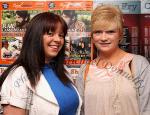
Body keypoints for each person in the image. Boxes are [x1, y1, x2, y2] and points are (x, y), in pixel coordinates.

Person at [0, 12, 82, 115]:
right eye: (50, 33)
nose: (58, 40)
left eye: (61, 35)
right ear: (35, 36)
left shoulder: (62, 70)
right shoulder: (18, 75)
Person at [76, 5, 150, 115]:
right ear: (92, 36)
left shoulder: (138, 64)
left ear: (120, 34)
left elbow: (147, 109)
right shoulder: (85, 70)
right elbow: (80, 111)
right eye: (98, 32)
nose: (103, 38)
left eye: (110, 32)